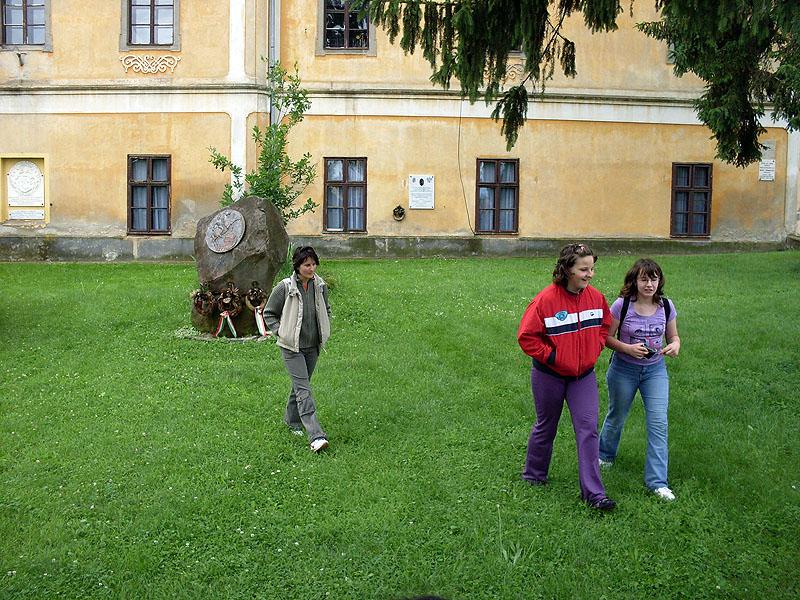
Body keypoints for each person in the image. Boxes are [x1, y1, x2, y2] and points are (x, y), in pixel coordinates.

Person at [517, 243, 616, 511]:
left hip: (582, 377)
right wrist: (553, 358)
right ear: (567, 270)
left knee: (588, 429)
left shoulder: (596, 298)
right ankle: (534, 475)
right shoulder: (546, 300)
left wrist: (595, 348)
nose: (589, 274)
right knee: (546, 425)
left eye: (592, 269)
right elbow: (527, 337)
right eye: (583, 269)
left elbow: (604, 326)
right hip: (548, 375)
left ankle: (594, 494)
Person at [599, 258, 680, 500]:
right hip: (623, 369)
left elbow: (674, 337)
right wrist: (627, 348)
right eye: (644, 279)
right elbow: (605, 337)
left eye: (654, 279)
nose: (649, 284)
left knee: (658, 422)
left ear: (659, 281)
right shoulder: (621, 305)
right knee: (617, 415)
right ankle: (604, 455)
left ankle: (657, 482)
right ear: (634, 281)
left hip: (655, 371)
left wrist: (675, 345)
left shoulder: (666, 306)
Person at [264, 246, 332, 453]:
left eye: (313, 264)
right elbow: (269, 313)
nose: (311, 269)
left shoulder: (320, 286)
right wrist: (281, 332)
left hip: (313, 346)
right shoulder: (285, 287)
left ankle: (292, 420)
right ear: (297, 266)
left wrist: (325, 326)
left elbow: (326, 309)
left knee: (300, 385)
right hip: (292, 347)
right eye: (306, 265)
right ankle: (316, 435)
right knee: (304, 390)